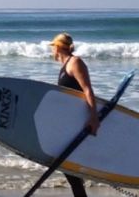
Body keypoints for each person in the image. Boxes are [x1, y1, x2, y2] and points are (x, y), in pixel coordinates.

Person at [50, 32, 100, 197]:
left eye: (53, 47)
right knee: (68, 167)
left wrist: (94, 116)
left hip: (80, 121)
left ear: (57, 47)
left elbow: (87, 89)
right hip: (69, 123)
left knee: (67, 165)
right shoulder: (64, 66)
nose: (52, 51)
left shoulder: (75, 62)